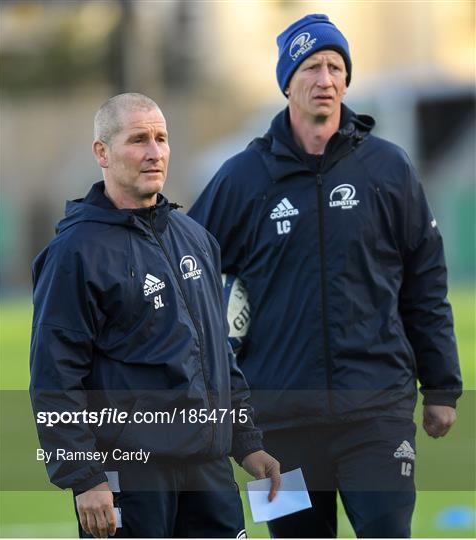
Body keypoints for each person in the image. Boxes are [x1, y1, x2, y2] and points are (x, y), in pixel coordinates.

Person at [188, 14, 462, 539]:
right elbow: (187, 268)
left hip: (376, 409)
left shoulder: (388, 169)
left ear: (347, 79)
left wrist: (443, 385)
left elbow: (425, 280)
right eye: (311, 66)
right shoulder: (243, 178)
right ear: (287, 82)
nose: (325, 78)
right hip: (278, 422)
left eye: (336, 66)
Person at [29, 92, 280, 539]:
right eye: (138, 139)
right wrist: (84, 476)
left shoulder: (196, 238)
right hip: (132, 477)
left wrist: (247, 443)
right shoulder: (75, 253)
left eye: (161, 139)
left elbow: (217, 356)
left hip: (208, 473)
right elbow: (54, 376)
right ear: (101, 153)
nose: (154, 152)